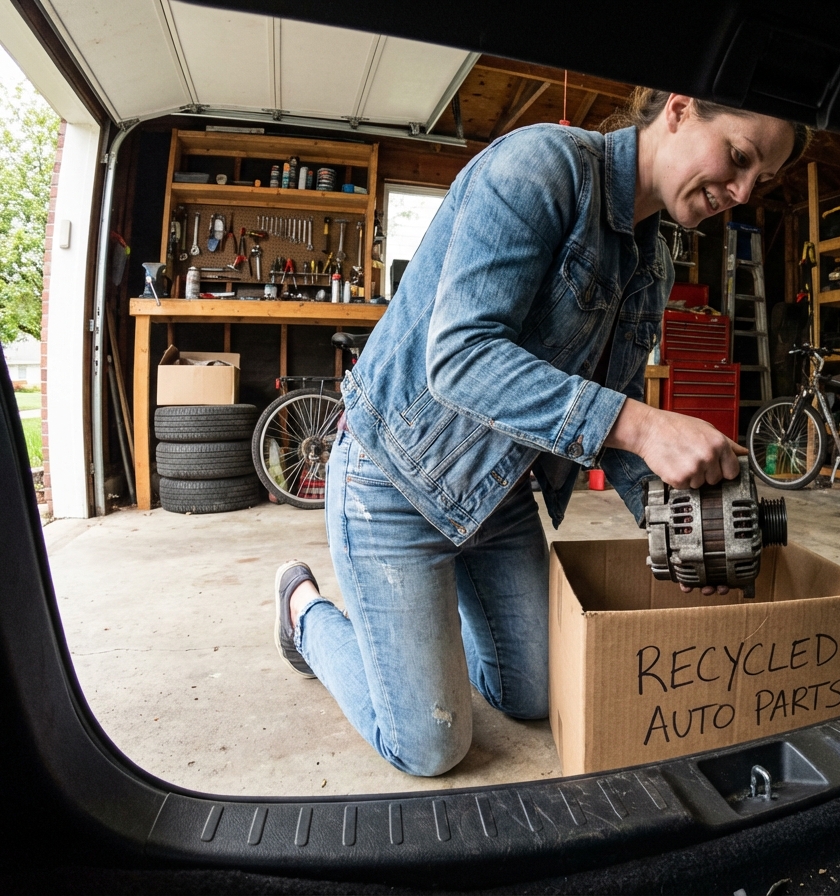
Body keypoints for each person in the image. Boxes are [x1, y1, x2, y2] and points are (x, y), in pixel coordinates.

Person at [273, 90, 805, 776]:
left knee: (534, 695)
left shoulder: (652, 260)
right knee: (430, 745)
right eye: (737, 157)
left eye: (757, 180)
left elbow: (615, 401)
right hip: (394, 484)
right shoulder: (540, 168)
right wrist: (643, 426)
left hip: (495, 497)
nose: (739, 191)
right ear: (678, 110)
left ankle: (419, 633)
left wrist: (677, 520)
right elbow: (460, 359)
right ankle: (303, 611)